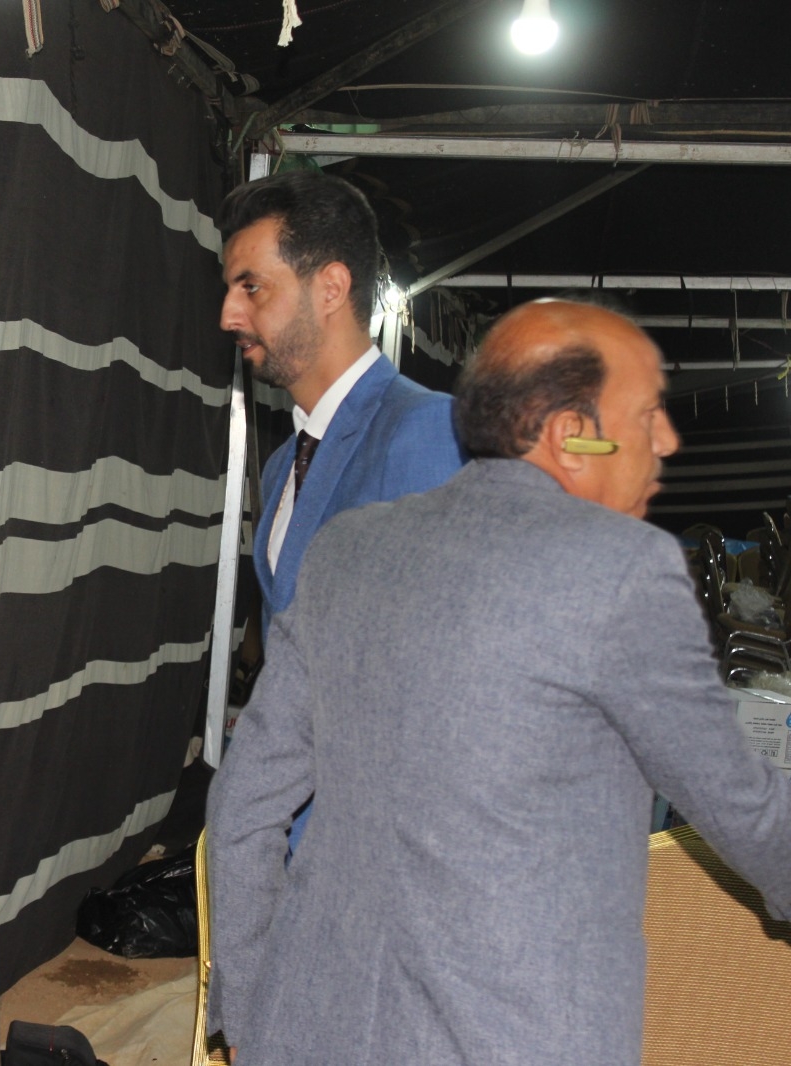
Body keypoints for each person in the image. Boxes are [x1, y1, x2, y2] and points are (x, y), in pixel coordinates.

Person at [206, 299, 791, 1066]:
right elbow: (744, 809)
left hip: (309, 1028)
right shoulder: (621, 570)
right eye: (646, 415)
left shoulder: (346, 551)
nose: (667, 441)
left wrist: (251, 1008)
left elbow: (245, 806)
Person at [219, 168, 465, 846]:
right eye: (230, 288)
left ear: (330, 288)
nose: (229, 314)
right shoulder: (284, 463)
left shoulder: (428, 433)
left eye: (252, 287)